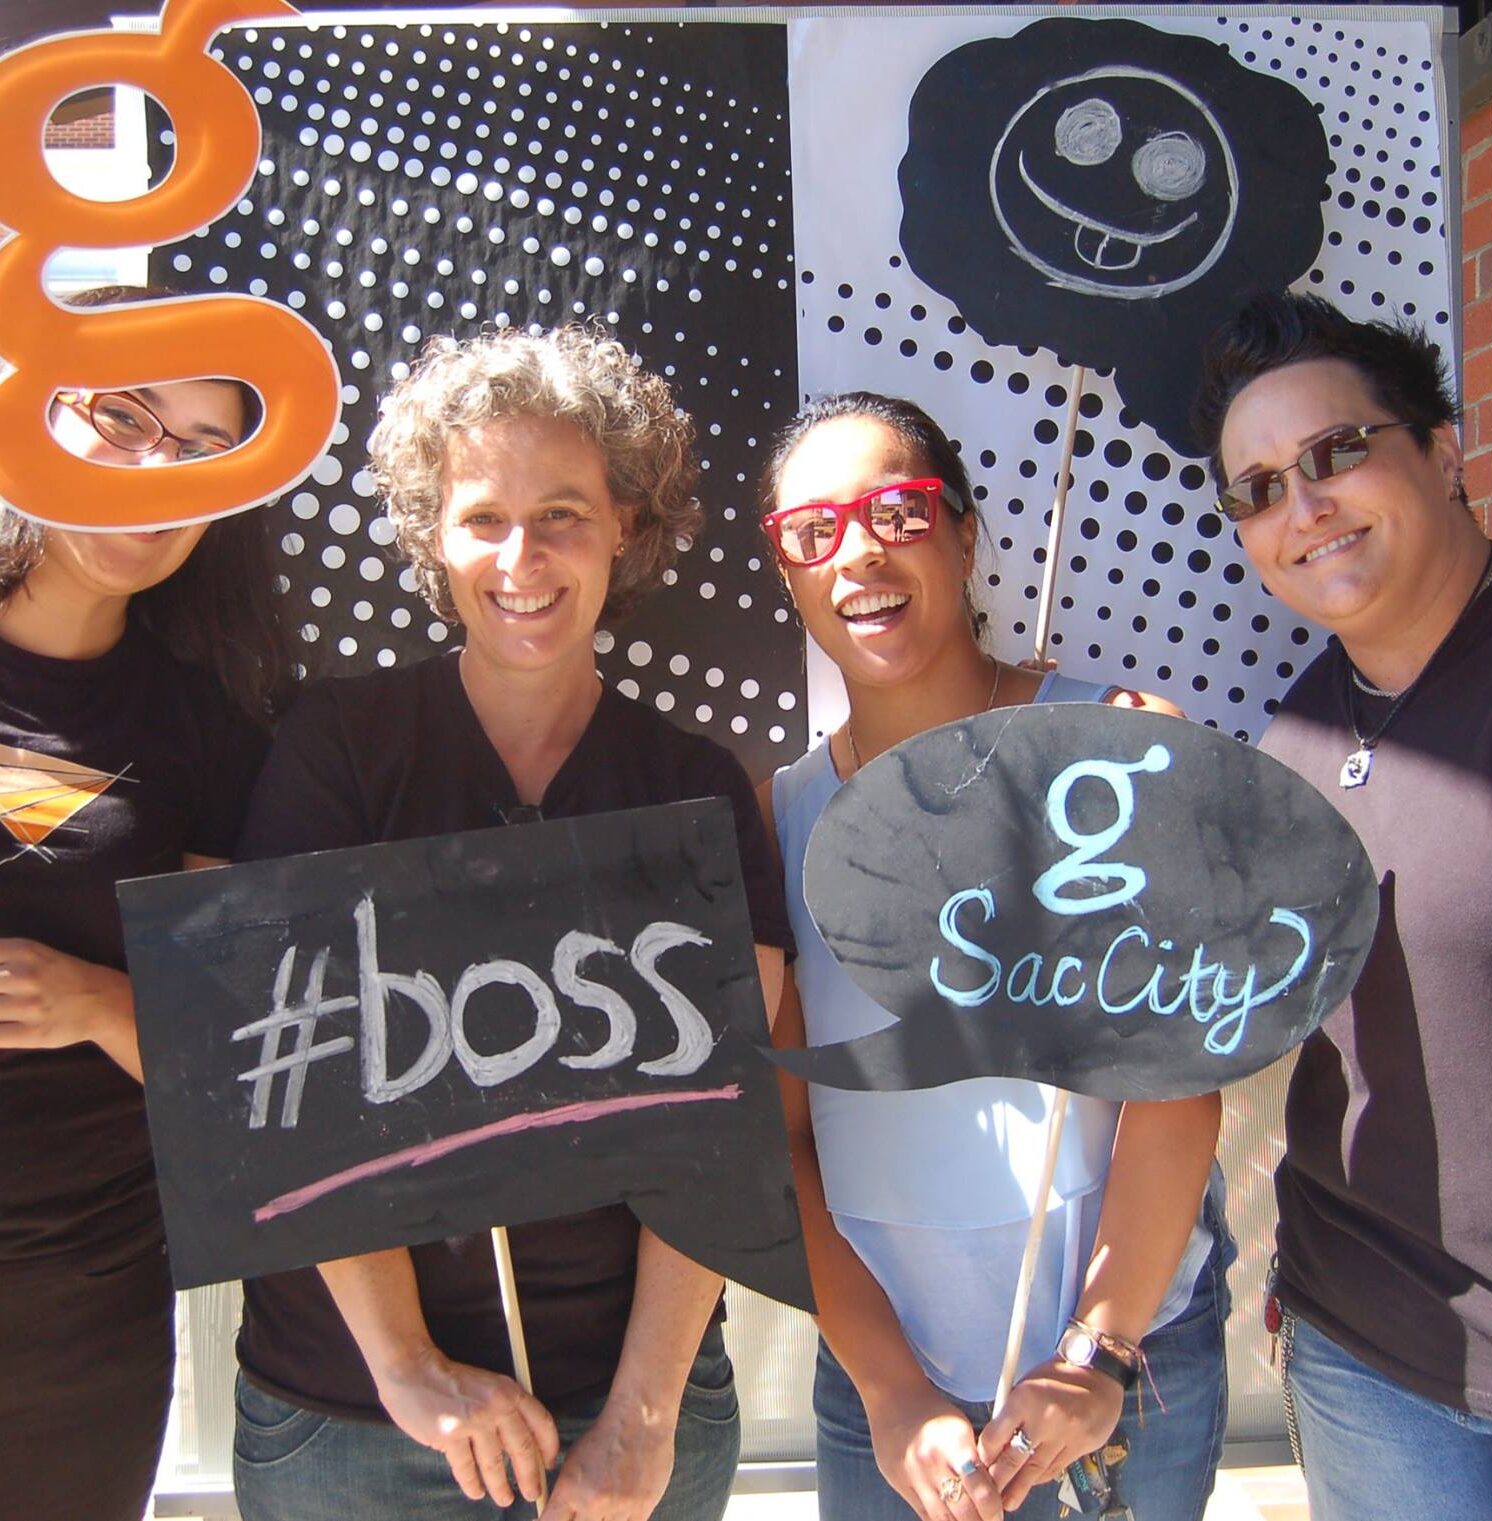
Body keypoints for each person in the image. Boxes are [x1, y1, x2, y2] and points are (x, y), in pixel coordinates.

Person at [230, 324, 793, 1521]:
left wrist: (644, 1414)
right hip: (355, 1420)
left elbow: (719, 1124)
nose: (520, 557)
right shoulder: (337, 751)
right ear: (432, 536)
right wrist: (410, 1369)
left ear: (624, 526)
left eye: (562, 515)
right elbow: (288, 1085)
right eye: (482, 516)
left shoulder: (693, 788)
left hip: (626, 1418)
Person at [758, 392, 1232, 1521]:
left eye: (897, 510)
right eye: (812, 530)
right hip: (887, 1393)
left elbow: (1178, 1087)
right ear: (787, 574)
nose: (857, 551)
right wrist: (891, 1392)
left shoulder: (1112, 747)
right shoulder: (774, 821)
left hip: (1124, 1376)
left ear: (965, 533)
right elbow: (785, 1144)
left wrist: (1095, 1356)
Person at [1194, 291, 1492, 1520]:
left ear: (1443, 449)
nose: (1305, 506)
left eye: (1338, 453)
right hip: (1366, 1360)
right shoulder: (1294, 737)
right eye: (1260, 488)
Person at [0, 284, 288, 1521]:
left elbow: (240, 1047)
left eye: (204, 450)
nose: (157, 471)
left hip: (80, 1301)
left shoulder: (210, 730)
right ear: (40, 411)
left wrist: (88, 1001)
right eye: (124, 416)